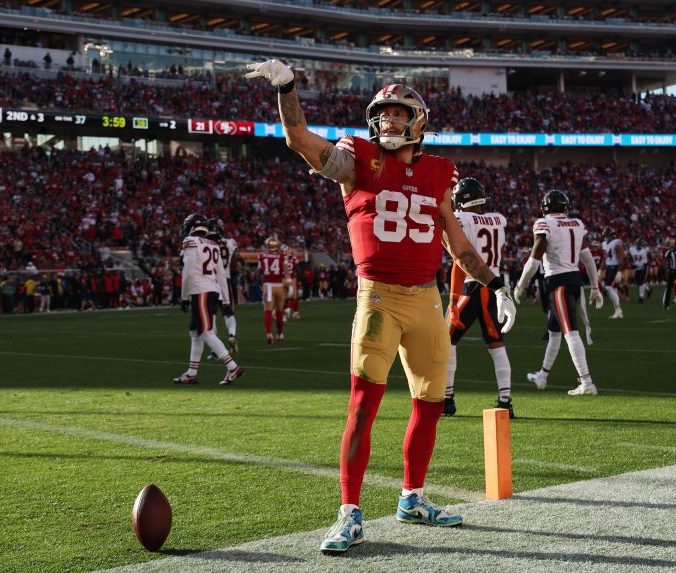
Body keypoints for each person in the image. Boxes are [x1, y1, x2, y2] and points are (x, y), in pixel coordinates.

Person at [245, 59, 516, 553]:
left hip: (428, 299)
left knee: (431, 405)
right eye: (382, 114)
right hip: (379, 298)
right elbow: (299, 139)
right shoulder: (360, 159)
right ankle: (349, 511)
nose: (387, 121)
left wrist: (495, 283)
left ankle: (412, 497)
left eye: (397, 113)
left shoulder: (439, 172)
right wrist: (287, 87)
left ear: (418, 121)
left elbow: (456, 243)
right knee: (363, 406)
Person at [513, 190, 603, 396]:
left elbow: (534, 260)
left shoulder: (545, 224)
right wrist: (595, 286)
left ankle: (587, 382)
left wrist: (520, 285)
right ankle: (543, 375)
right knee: (554, 332)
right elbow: (588, 259)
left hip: (559, 282)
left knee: (570, 332)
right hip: (573, 280)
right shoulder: (576, 224)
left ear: (545, 207)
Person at [444, 178, 515, 418]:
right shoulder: (498, 219)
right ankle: (506, 401)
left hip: (472, 286)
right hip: (494, 286)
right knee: (496, 344)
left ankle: (446, 399)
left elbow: (459, 261)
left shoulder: (462, 219)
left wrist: (453, 301)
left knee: (447, 341)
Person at [173, 213, 244, 386]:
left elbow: (188, 272)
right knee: (195, 331)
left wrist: (184, 296)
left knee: (205, 332)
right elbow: (221, 274)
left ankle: (232, 366)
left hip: (201, 290)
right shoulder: (213, 243)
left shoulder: (190, 242)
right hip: (212, 289)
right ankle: (191, 373)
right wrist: (226, 299)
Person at [207, 218, 240, 355]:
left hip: (210, 281)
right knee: (228, 312)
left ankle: (216, 347)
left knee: (211, 314)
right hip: (225, 280)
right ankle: (232, 335)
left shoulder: (205, 244)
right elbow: (234, 261)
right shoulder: (231, 243)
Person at [258, 238, 287, 344]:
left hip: (268, 286)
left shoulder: (262, 256)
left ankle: (269, 333)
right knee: (279, 311)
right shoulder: (282, 256)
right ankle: (280, 334)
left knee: (268, 311)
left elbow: (259, 271)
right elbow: (285, 271)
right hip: (279, 286)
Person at [601, 226, 625, 319]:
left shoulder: (616, 242)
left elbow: (621, 258)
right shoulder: (604, 244)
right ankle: (618, 312)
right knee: (613, 289)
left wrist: (619, 271)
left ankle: (618, 310)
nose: (606, 236)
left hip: (615, 267)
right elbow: (605, 258)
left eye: (607, 234)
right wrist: (601, 269)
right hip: (608, 267)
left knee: (608, 287)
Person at [629, 238, 652, 303]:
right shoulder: (632, 249)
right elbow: (629, 257)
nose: (639, 245)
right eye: (638, 244)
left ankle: (641, 297)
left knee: (642, 281)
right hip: (636, 268)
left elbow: (650, 257)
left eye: (640, 244)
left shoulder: (645, 249)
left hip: (644, 267)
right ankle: (648, 289)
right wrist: (631, 263)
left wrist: (648, 264)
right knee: (639, 282)